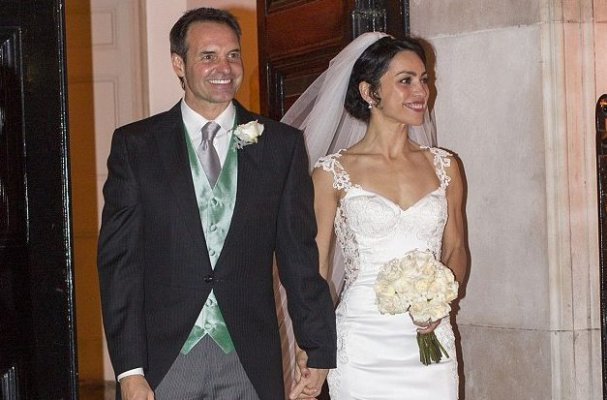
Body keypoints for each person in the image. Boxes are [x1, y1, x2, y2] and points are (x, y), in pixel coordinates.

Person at [97, 7, 336, 400]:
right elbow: (120, 265)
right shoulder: (135, 146)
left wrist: (316, 345)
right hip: (164, 360)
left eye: (233, 55)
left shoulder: (281, 145)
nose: (224, 68)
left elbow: (299, 257)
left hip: (249, 357)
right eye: (208, 56)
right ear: (179, 63)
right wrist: (129, 369)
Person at [282, 33, 467, 399]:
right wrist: (311, 349)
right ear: (369, 92)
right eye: (405, 81)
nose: (421, 91)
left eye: (424, 79)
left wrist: (441, 301)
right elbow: (316, 271)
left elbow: (456, 248)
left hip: (430, 341)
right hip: (361, 341)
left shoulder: (446, 166)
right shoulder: (331, 174)